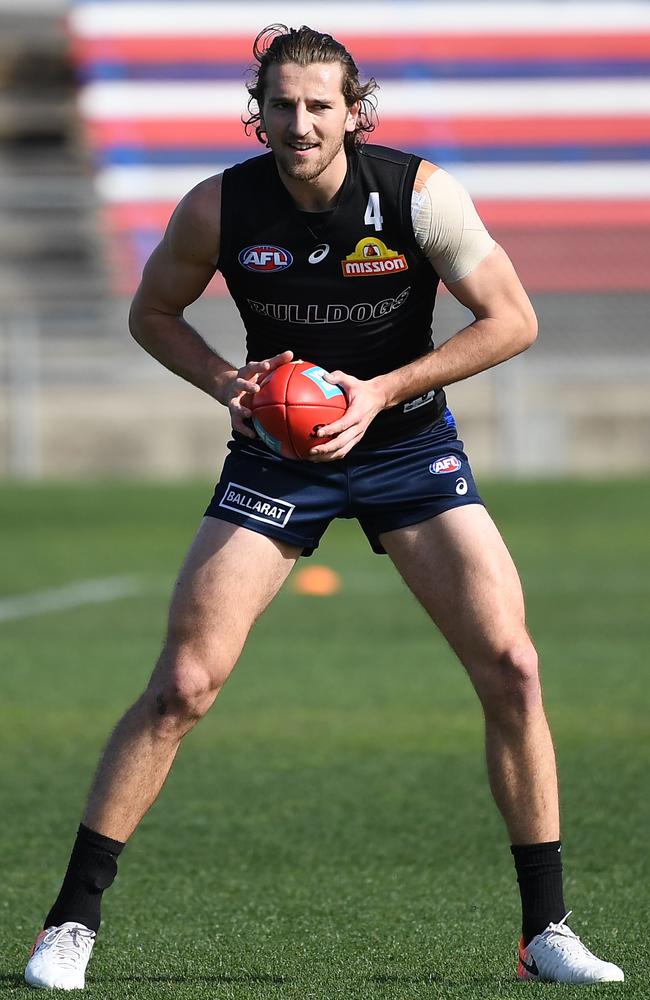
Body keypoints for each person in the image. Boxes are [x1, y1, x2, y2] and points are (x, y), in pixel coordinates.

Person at [25, 23, 623, 990]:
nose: (299, 122)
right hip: (277, 455)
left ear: (356, 111)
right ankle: (70, 924)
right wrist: (231, 386)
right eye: (281, 104)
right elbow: (153, 312)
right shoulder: (218, 206)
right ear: (256, 112)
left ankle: (544, 930)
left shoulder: (418, 194)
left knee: (513, 666)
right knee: (183, 685)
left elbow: (513, 319)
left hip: (407, 445)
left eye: (319, 104)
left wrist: (382, 393)